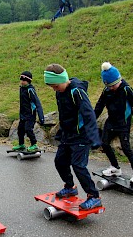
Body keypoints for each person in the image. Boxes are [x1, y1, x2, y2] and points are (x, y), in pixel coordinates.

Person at [44, 63, 102, 210]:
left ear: (63, 79)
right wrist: (61, 132)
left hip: (81, 136)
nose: (54, 89)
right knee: (60, 162)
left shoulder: (77, 91)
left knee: (78, 166)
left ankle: (94, 196)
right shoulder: (60, 92)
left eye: (55, 86)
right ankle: (70, 187)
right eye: (52, 87)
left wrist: (94, 137)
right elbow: (65, 115)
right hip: (68, 135)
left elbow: (88, 114)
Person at [94, 62, 133, 184]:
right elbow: (99, 105)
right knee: (104, 143)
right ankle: (115, 168)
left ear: (119, 79)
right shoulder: (107, 90)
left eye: (113, 85)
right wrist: (92, 118)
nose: (111, 88)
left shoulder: (126, 89)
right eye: (109, 86)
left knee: (126, 147)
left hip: (123, 122)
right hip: (111, 121)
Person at [12, 71, 45, 152]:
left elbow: (37, 103)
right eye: (21, 80)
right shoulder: (21, 89)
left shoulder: (30, 90)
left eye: (24, 80)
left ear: (28, 81)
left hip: (30, 115)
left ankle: (34, 144)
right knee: (20, 130)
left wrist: (41, 117)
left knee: (28, 129)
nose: (22, 81)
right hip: (23, 114)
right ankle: (21, 144)